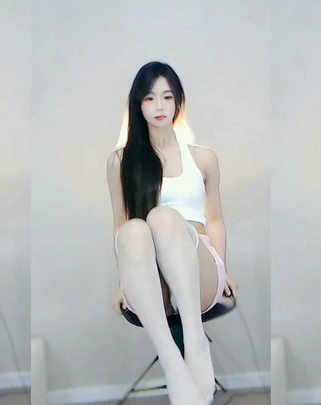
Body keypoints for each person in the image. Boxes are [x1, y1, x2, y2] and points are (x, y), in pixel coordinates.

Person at [107, 61, 238, 405]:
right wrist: (124, 280)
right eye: (150, 98)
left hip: (198, 269)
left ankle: (195, 342)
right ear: (138, 104)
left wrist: (223, 267)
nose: (160, 106)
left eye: (167, 97)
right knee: (135, 229)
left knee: (163, 218)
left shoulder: (203, 159)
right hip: (151, 274)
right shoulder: (121, 162)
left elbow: (215, 219)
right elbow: (120, 227)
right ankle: (172, 362)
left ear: (179, 101)